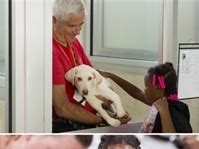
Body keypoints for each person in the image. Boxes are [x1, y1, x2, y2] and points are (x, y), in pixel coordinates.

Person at [52, 0, 145, 132]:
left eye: (81, 25)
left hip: (92, 118)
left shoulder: (74, 43)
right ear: (54, 21)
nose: (77, 31)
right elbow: (62, 108)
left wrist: (111, 112)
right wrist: (104, 120)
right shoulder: (52, 52)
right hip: (69, 126)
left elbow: (96, 83)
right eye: (72, 25)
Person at [101, 62, 192, 133]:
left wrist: (164, 112)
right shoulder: (158, 102)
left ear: (156, 88)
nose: (144, 90)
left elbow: (171, 137)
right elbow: (137, 93)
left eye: (146, 86)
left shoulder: (172, 110)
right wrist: (111, 76)